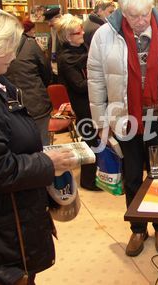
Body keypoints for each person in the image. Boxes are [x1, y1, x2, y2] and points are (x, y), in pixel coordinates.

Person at [0, 6, 78, 285]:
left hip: (11, 214)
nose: (14, 56)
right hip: (1, 223)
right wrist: (47, 163)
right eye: (8, 48)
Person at [87, 0, 158, 257]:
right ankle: (137, 228)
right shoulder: (104, 36)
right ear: (122, 11)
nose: (142, 20)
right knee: (132, 175)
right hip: (125, 119)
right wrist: (101, 121)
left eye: (145, 14)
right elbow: (96, 78)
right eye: (134, 16)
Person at [55, 14, 100, 191]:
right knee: (90, 142)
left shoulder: (83, 50)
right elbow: (79, 86)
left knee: (96, 141)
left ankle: (96, 176)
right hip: (82, 105)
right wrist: (99, 78)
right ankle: (87, 181)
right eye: (78, 32)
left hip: (92, 102)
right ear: (67, 37)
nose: (83, 33)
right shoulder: (66, 58)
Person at [5, 18, 52, 146]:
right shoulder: (30, 44)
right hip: (36, 102)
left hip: (10, 105)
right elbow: (46, 71)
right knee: (43, 144)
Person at [44, 7, 62, 83]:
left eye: (51, 21)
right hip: (54, 68)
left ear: (58, 18)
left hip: (61, 68)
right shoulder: (53, 30)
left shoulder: (64, 30)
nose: (49, 24)